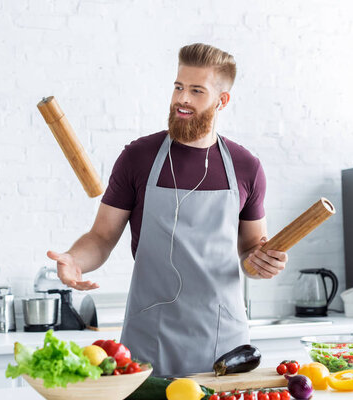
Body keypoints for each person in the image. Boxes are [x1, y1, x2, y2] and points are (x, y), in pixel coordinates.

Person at [47, 43, 288, 377]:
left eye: (196, 91)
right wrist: (74, 260)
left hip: (224, 342)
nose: (182, 99)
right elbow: (102, 236)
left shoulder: (246, 167)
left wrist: (261, 264)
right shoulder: (138, 157)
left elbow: (250, 249)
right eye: (178, 87)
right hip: (149, 336)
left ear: (222, 101)